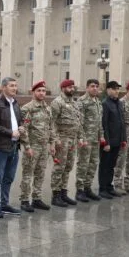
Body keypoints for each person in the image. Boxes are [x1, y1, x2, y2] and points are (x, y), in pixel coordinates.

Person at [0, 77, 23, 218]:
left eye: (15, 85)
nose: (14, 88)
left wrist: (21, 127)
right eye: (11, 86)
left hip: (14, 146)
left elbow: (19, 120)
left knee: (9, 177)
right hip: (0, 147)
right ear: (3, 88)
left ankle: (5, 203)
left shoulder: (15, 103)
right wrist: (10, 133)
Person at [19, 80, 56, 212]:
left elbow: (51, 127)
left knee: (40, 174)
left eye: (43, 91)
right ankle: (24, 200)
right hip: (33, 147)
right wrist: (27, 147)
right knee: (28, 174)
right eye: (39, 91)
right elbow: (24, 130)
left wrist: (52, 144)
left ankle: (37, 199)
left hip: (44, 147)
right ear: (33, 92)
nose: (41, 93)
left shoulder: (47, 108)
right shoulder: (27, 108)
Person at [50, 79, 85, 207]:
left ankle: (63, 193)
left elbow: (78, 122)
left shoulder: (74, 103)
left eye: (72, 87)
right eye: (69, 87)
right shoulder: (57, 102)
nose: (72, 89)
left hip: (73, 140)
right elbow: (52, 122)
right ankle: (56, 195)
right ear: (63, 88)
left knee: (68, 167)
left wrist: (81, 137)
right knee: (59, 167)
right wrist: (55, 139)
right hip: (62, 140)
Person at [75, 79, 103, 202]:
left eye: (97, 86)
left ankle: (88, 188)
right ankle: (79, 190)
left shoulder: (97, 101)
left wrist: (101, 136)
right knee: (83, 164)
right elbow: (79, 121)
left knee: (93, 164)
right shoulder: (82, 101)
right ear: (87, 88)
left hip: (95, 139)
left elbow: (99, 121)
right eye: (92, 86)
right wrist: (81, 137)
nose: (95, 88)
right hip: (86, 139)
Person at [98, 81, 127, 198]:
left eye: (118, 89)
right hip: (108, 142)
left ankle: (109, 187)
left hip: (117, 140)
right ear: (108, 90)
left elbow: (122, 122)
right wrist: (106, 142)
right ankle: (102, 188)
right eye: (114, 89)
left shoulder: (119, 103)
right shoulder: (105, 104)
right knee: (104, 165)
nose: (116, 91)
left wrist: (123, 139)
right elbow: (104, 124)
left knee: (112, 165)